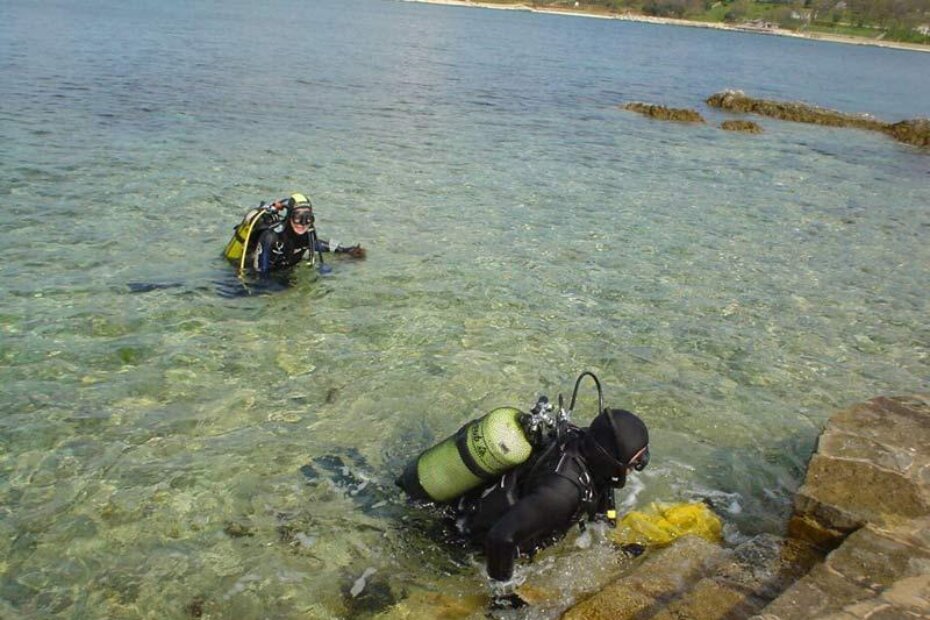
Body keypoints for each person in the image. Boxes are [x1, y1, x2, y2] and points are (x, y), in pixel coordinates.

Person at [453, 408, 649, 605]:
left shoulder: (582, 444)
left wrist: (609, 545)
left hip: (489, 507)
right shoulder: (560, 496)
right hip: (464, 541)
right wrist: (502, 595)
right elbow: (501, 537)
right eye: (637, 461)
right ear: (608, 459)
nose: (642, 463)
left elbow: (603, 491)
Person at [242, 193, 365, 274]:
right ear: (289, 216)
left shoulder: (308, 233)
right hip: (259, 275)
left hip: (286, 271)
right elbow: (260, 272)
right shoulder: (271, 237)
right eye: (297, 218)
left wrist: (344, 250)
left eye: (308, 218)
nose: (302, 224)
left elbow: (317, 244)